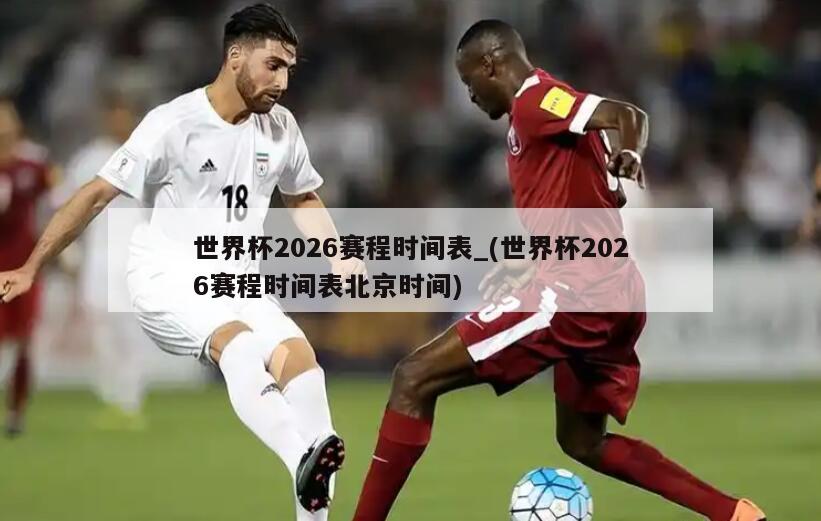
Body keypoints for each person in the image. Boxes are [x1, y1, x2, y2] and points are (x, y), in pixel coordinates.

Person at [351, 20, 766, 521]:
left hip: (577, 294)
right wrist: (532, 261)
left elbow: (627, 114)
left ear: (490, 64)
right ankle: (734, 513)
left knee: (413, 377)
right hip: (613, 290)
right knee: (582, 440)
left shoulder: (536, 100)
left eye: (468, 80)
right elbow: (586, 207)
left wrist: (629, 151)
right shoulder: (543, 117)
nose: (469, 94)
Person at [0, 4, 361, 519]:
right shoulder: (174, 123)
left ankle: (313, 495)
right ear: (235, 57)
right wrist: (32, 266)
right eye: (273, 65)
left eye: (288, 69)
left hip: (237, 283)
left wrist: (338, 254)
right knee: (240, 346)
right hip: (167, 281)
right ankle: (300, 456)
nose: (282, 81)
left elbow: (301, 195)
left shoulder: (280, 127)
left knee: (306, 373)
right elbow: (96, 194)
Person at [60, 93, 149, 429]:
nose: (119, 121)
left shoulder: (149, 156)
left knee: (130, 331)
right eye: (114, 115)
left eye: (125, 115)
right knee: (101, 331)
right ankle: (111, 397)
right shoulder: (89, 159)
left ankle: (130, 402)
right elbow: (68, 205)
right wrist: (68, 251)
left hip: (136, 257)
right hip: (98, 257)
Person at [0, 96, 54, 437]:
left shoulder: (33, 166)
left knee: (22, 342)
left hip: (23, 271)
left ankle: (16, 412)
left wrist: (58, 252)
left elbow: (55, 205)